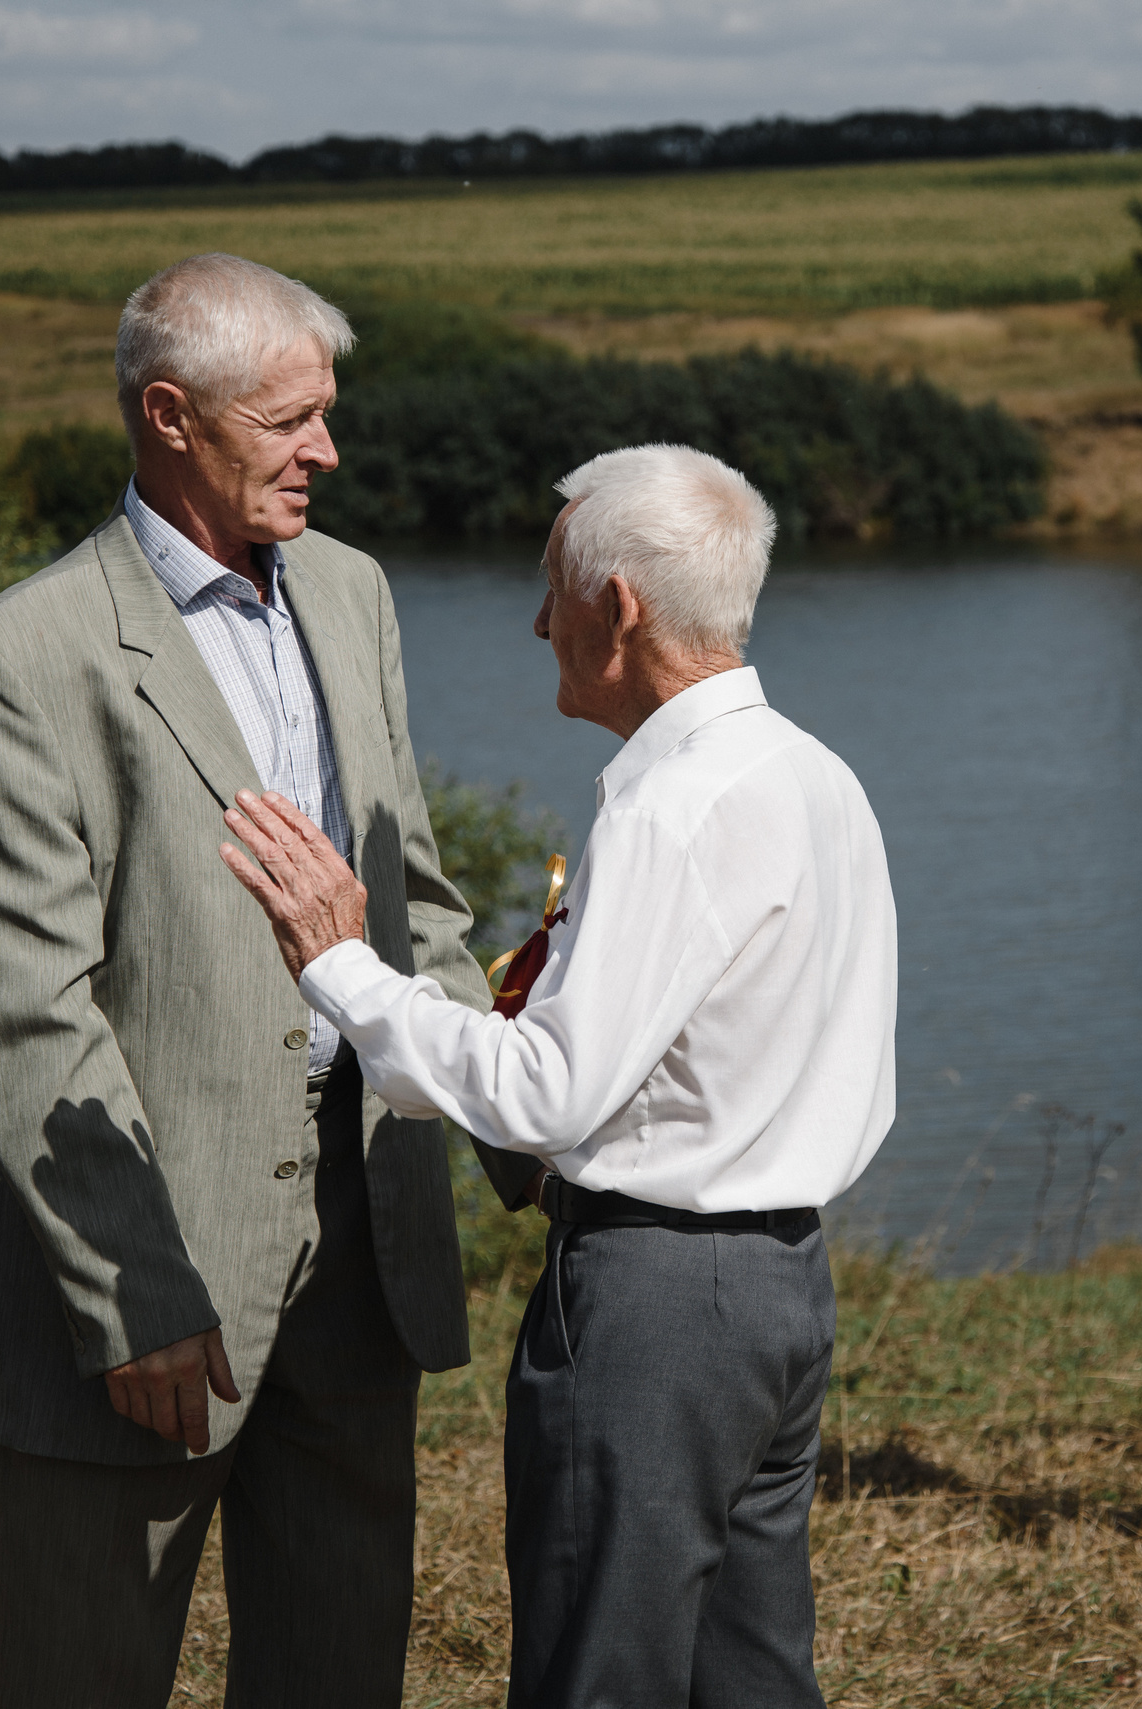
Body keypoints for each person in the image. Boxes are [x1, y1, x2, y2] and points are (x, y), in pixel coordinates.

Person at [0, 252, 538, 1706]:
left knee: (339, 1670)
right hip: (150, 1272)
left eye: (327, 412)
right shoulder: (20, 655)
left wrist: (535, 1132)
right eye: (288, 421)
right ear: (170, 416)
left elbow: (416, 900)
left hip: (367, 1244)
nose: (327, 449)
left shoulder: (353, 590)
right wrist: (133, 1288)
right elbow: (28, 1011)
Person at [220, 442, 895, 1708]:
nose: (538, 623)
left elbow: (548, 1093)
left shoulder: (671, 806)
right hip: (784, 1287)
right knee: (751, 1676)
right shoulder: (820, 775)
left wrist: (340, 963)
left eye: (551, 589)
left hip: (653, 1302)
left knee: (599, 1676)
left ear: (617, 605)